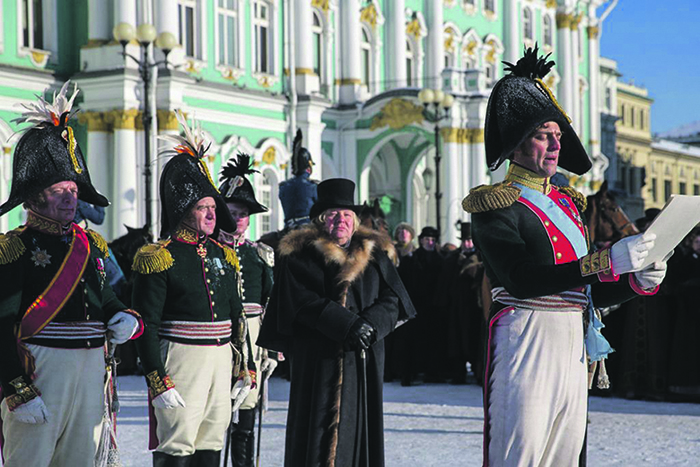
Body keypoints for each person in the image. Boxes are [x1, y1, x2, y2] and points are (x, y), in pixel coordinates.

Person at [462, 47, 669, 466]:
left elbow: (583, 294)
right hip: (526, 336)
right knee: (517, 454)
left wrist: (634, 281)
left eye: (558, 136)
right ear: (518, 145)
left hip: (573, 341)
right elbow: (522, 279)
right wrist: (606, 261)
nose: (556, 144)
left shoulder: (570, 206)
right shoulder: (496, 206)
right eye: (544, 135)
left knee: (564, 456)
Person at [0, 82, 142, 466]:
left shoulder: (90, 244)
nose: (70, 197)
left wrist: (119, 314)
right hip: (41, 373)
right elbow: (1, 324)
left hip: (90, 369)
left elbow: (103, 297)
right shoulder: (14, 248)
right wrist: (16, 389)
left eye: (73, 189)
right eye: (58, 190)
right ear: (32, 198)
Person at [257, 178, 416, 467]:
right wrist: (345, 324)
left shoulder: (375, 255)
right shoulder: (300, 255)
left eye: (346, 215)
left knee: (358, 430)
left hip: (362, 359)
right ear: (321, 220)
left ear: (355, 220)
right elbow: (297, 301)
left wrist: (371, 324)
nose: (340, 220)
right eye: (333, 214)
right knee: (315, 431)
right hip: (318, 358)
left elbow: (394, 300)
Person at [132, 111, 244, 466]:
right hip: (180, 358)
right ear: (183, 210)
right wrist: (156, 378)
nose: (212, 215)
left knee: (212, 439)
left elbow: (237, 316)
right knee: (177, 441)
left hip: (221, 357)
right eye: (202, 208)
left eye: (213, 207)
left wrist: (247, 367)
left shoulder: (224, 255)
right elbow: (145, 323)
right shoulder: (160, 256)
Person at [218, 154, 275, 466]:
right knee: (217, 412)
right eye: (232, 211)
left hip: (252, 337)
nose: (238, 219)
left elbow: (271, 302)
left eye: (243, 214)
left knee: (246, 411)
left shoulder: (260, 255)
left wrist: (272, 349)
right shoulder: (208, 252)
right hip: (219, 334)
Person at [435, 222, 485, 385]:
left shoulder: (481, 258)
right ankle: (459, 373)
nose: (467, 244)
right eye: (464, 240)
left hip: (475, 307)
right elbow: (445, 282)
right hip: (457, 307)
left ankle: (478, 374)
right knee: (457, 341)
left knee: (475, 340)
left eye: (470, 240)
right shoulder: (453, 259)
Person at [397, 226, 446, 384]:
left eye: (432, 240)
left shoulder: (441, 260)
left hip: (435, 307)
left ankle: (433, 372)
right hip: (416, 306)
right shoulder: (412, 259)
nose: (430, 242)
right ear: (421, 240)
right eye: (426, 239)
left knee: (434, 341)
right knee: (412, 341)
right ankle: (410, 373)